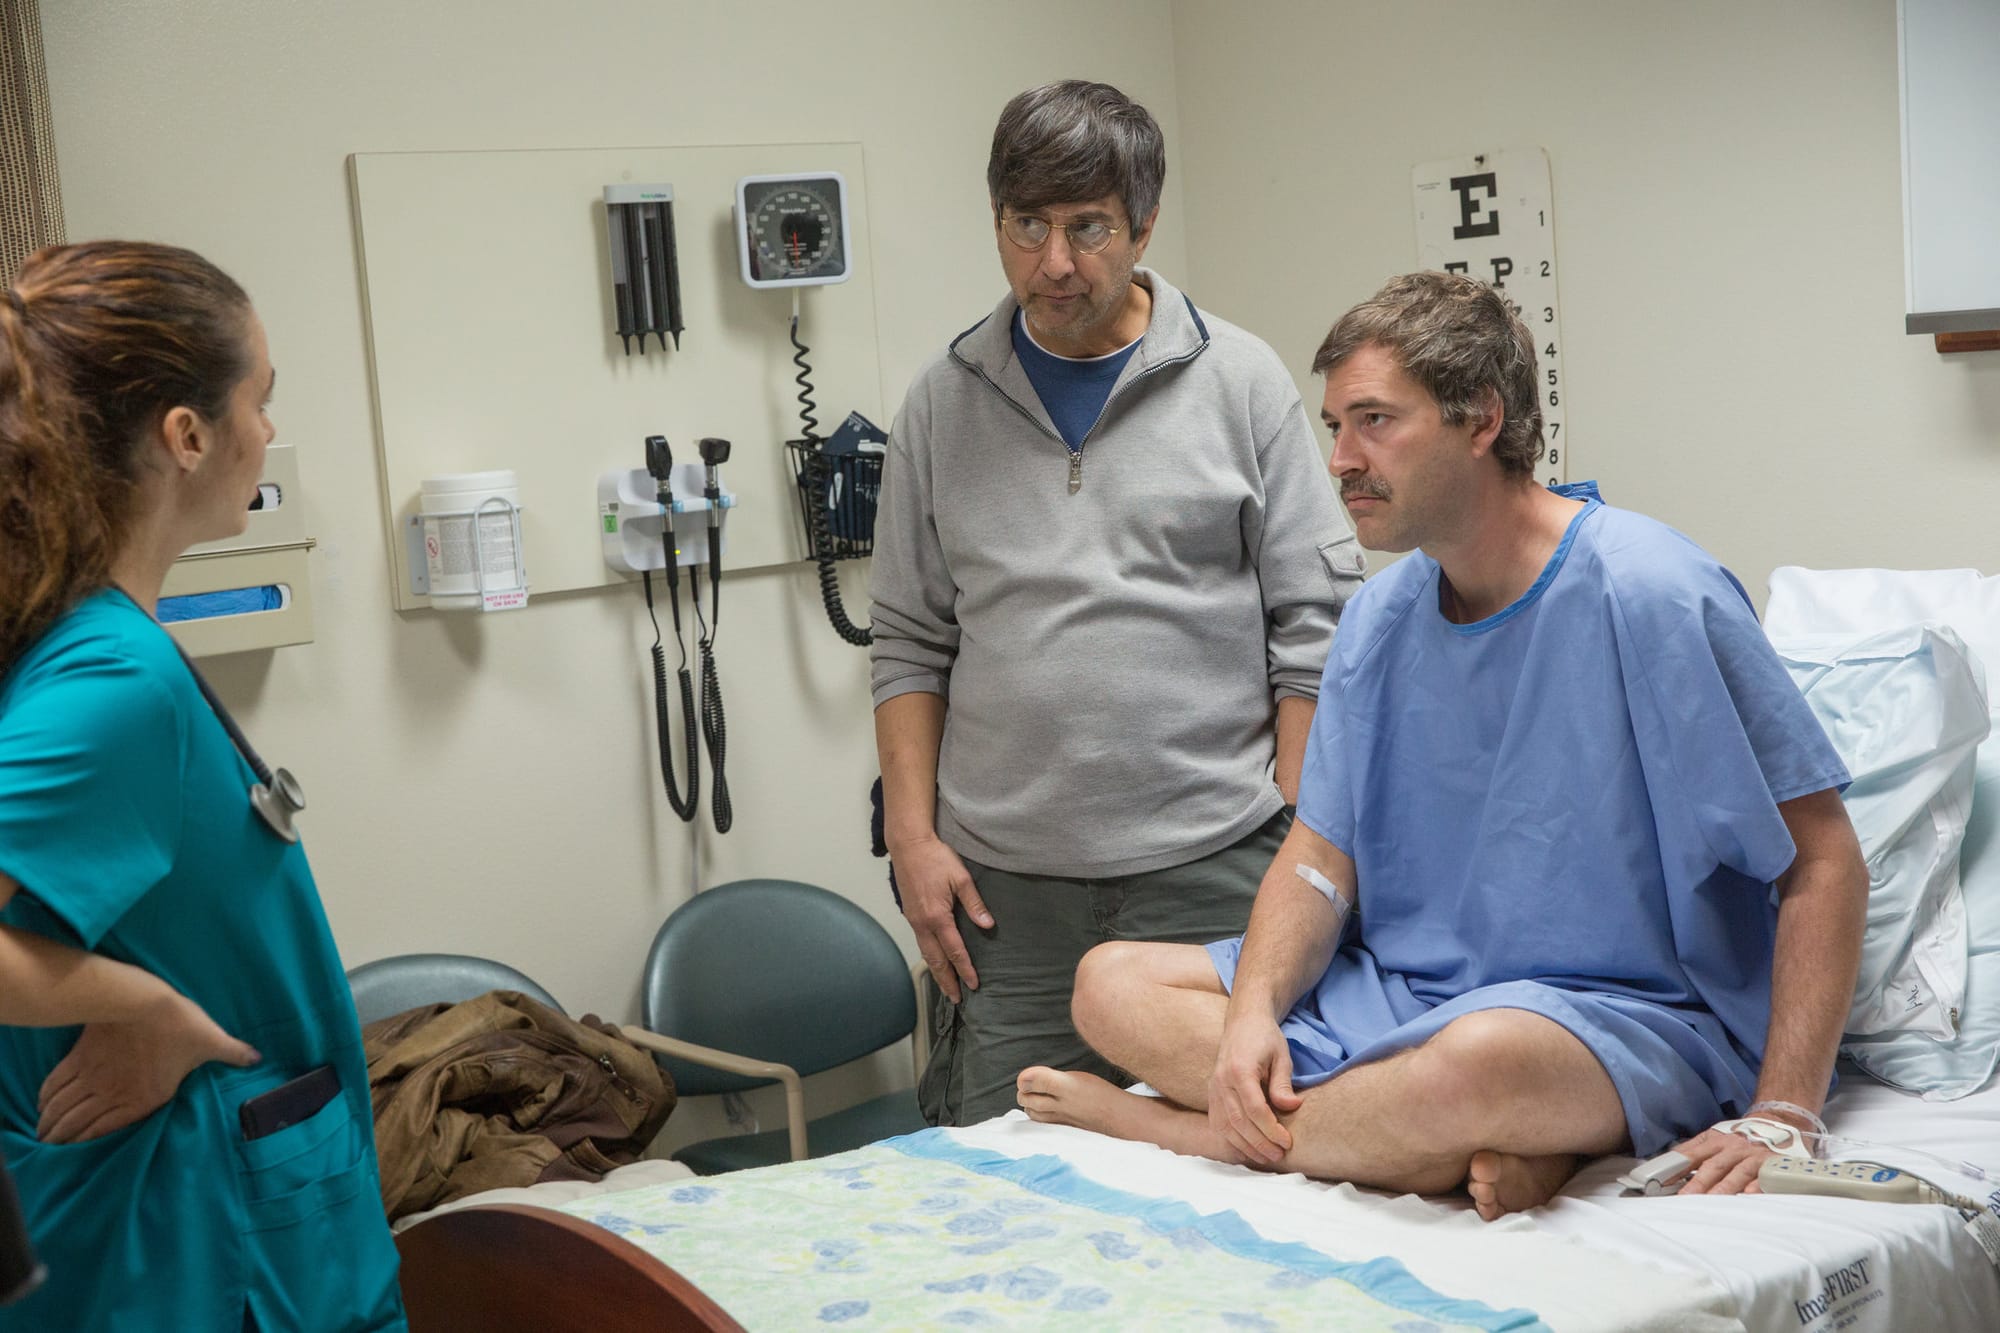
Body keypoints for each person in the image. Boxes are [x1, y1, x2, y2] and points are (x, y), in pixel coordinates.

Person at [1017, 271, 1869, 1219]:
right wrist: (1251, 1017)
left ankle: (1195, 1129)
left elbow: (1824, 860)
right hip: (1406, 997)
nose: (1340, 459)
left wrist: (1784, 1110)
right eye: (1335, 425)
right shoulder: (1379, 617)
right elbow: (1319, 859)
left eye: (1374, 421)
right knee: (1110, 983)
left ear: (1481, 420)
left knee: (1477, 1063)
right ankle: (1448, 1139)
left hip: (1620, 1018)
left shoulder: (1652, 591)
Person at [871, 80, 1363, 1126]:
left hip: (1214, 870)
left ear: (1143, 226)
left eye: (1087, 227)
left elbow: (1315, 626)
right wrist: (912, 840)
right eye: (1027, 226)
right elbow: (908, 641)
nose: (1054, 261)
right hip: (1003, 900)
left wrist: (1293, 828)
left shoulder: (1239, 381)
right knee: (993, 1177)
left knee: (1245, 1150)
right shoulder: (941, 402)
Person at [0, 242, 405, 1329]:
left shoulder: (87, 635)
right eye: (258, 400)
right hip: (188, 1247)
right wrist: (149, 1009)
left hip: (209, 1215)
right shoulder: (113, 680)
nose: (267, 431)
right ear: (186, 435)